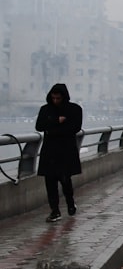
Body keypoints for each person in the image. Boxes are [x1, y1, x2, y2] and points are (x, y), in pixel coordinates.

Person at [35, 83, 83, 223]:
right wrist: (56, 121)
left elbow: (75, 127)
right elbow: (39, 126)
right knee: (50, 182)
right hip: (49, 151)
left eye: (58, 98)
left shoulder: (74, 109)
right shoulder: (45, 110)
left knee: (65, 179)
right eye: (53, 98)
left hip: (66, 150)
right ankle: (55, 211)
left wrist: (52, 130)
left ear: (64, 97)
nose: (56, 101)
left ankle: (70, 202)